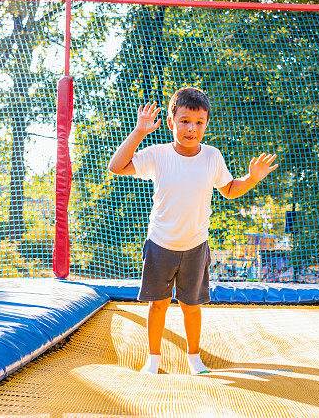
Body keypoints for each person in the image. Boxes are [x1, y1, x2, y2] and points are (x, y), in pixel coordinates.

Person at [107, 87, 278, 375]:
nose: (191, 128)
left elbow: (230, 190)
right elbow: (116, 166)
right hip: (161, 243)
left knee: (191, 306)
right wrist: (138, 132)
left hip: (195, 246)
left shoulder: (211, 156)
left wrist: (252, 177)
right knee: (158, 304)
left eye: (199, 122)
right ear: (172, 122)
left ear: (206, 124)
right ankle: (153, 360)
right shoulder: (158, 155)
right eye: (185, 121)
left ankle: (194, 358)